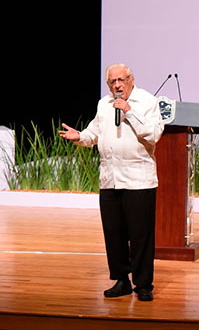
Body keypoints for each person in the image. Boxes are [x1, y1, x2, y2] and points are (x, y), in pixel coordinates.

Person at [59, 63, 163, 302]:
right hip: (110, 179)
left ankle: (143, 284)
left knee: (141, 236)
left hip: (139, 180)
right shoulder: (103, 104)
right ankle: (121, 280)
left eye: (121, 80)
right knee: (114, 234)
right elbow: (94, 133)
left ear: (131, 79)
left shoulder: (147, 101)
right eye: (112, 82)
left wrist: (129, 111)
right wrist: (79, 136)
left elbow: (153, 134)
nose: (117, 86)